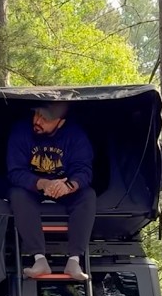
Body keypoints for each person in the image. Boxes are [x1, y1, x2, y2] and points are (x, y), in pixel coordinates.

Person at [6, 101, 96, 280]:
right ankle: (39, 259)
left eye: (45, 119)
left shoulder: (75, 136)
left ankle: (74, 261)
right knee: (16, 194)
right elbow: (15, 172)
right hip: (33, 187)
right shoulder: (21, 131)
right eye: (37, 114)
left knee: (88, 195)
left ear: (60, 122)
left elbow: (84, 170)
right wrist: (43, 183)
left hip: (65, 187)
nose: (37, 121)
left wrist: (68, 186)